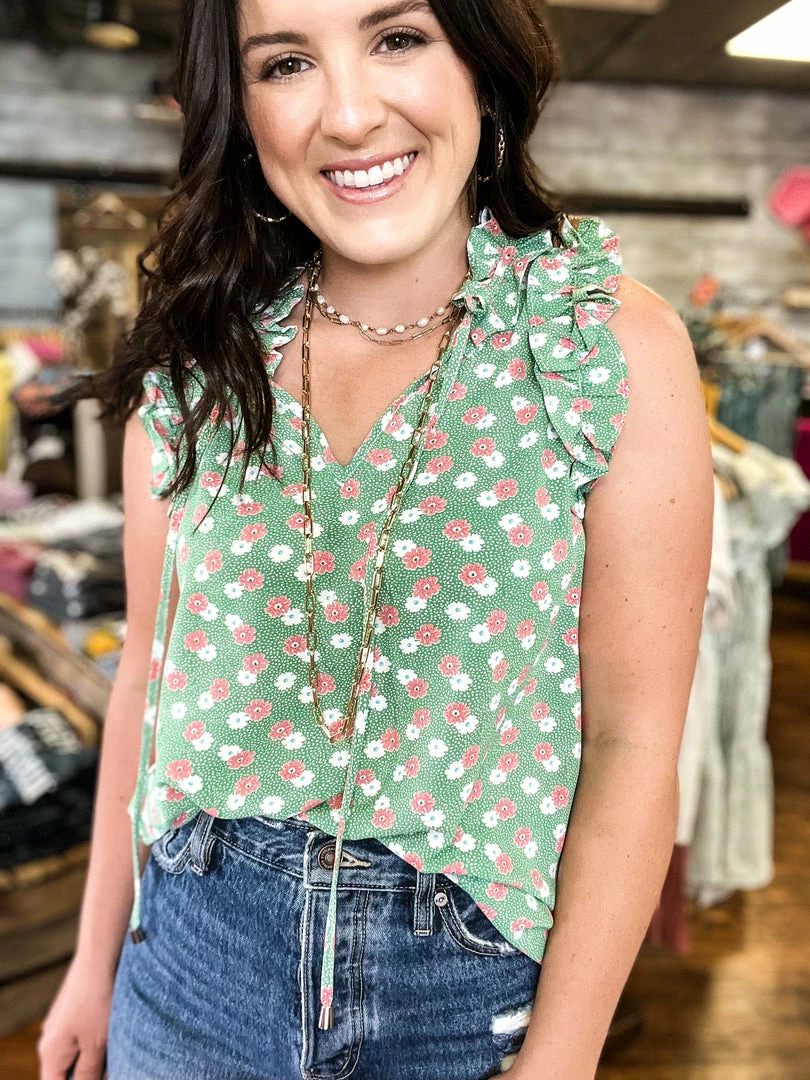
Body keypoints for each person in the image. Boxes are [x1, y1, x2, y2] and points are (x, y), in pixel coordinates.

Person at [37, 1, 714, 1078]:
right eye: (286, 63)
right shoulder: (199, 361)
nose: (350, 114)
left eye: (398, 38)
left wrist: (564, 1057)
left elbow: (634, 742)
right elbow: (148, 688)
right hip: (189, 969)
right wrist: (90, 962)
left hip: (463, 994)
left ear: (478, 60)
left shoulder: (599, 344)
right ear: (242, 107)